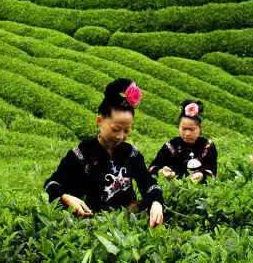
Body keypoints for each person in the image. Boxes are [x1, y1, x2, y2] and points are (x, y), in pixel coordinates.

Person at [43, 79, 164, 227]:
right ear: (99, 121)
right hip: (90, 225)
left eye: (126, 130)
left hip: (126, 223)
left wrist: (156, 202)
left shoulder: (131, 154)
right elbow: (51, 184)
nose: (120, 136)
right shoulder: (81, 154)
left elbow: (148, 183)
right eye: (115, 129)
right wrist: (65, 197)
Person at [148, 100, 217, 183]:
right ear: (179, 127)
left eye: (192, 129)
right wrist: (162, 171)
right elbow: (152, 168)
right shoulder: (171, 146)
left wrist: (202, 175)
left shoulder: (208, 146)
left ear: (200, 128)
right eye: (184, 129)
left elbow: (212, 171)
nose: (187, 133)